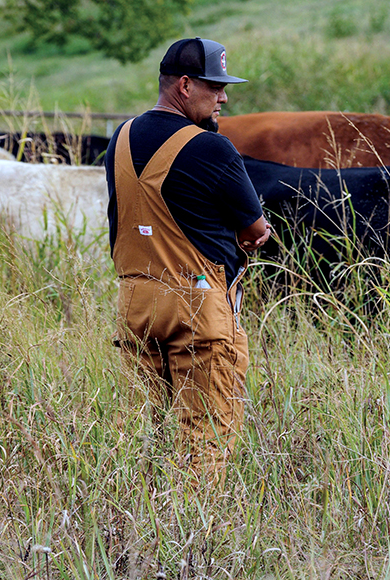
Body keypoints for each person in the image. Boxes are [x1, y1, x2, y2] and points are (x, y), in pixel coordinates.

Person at [105, 37, 271, 479]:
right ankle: (200, 541)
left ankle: (133, 528)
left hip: (134, 305)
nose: (224, 97)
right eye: (214, 86)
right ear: (184, 85)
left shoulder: (118, 139)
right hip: (197, 307)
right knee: (206, 440)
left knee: (140, 438)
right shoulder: (212, 147)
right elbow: (255, 230)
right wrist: (253, 235)